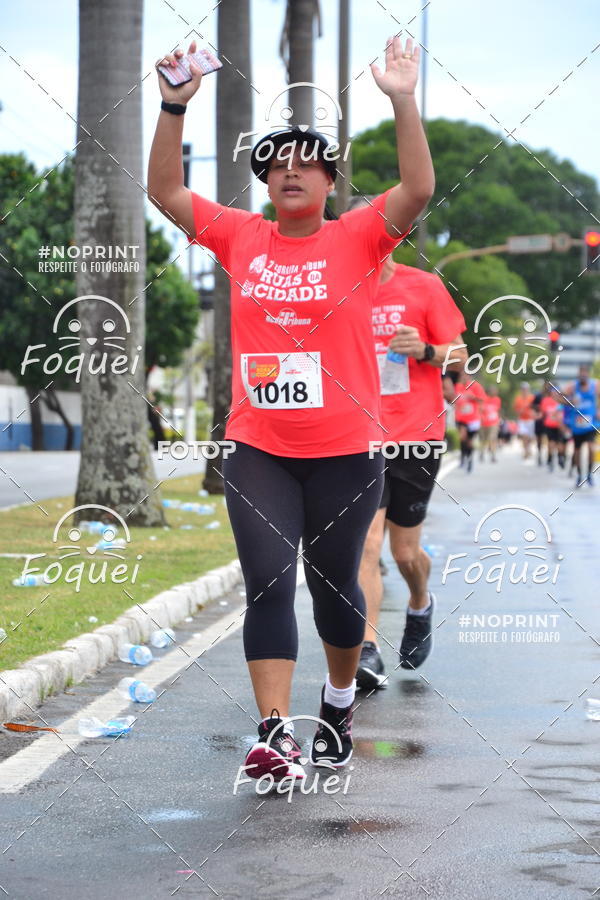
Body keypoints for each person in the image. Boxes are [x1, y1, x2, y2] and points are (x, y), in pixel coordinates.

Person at [148, 37, 435, 781]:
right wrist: (174, 106)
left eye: (307, 161)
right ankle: (274, 733)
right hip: (260, 448)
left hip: (346, 453)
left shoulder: (360, 237)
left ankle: (337, 701)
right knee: (269, 580)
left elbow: (418, 188)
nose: (291, 170)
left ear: (332, 180)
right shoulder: (241, 237)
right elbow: (166, 194)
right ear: (266, 183)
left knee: (334, 589)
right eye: (277, 164)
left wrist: (403, 98)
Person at [349, 217, 466, 689]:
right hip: (358, 436)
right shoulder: (339, 293)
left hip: (416, 435)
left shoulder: (425, 287)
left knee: (404, 550)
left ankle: (420, 602)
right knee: (367, 544)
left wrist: (425, 350)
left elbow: (460, 355)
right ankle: (367, 651)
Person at [564, 365, 598, 487]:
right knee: (577, 451)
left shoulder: (595, 385)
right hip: (577, 425)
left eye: (585, 373)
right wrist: (569, 401)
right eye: (581, 373)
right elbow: (562, 396)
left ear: (588, 374)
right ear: (578, 375)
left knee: (590, 448)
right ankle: (579, 475)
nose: (583, 375)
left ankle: (589, 473)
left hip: (590, 424)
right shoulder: (573, 386)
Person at [453, 371, 485, 472]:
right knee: (462, 437)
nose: (463, 377)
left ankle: (469, 458)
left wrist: (473, 397)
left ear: (469, 376)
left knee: (469, 442)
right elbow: (452, 399)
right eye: (461, 375)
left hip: (473, 419)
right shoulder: (457, 386)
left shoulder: (476, 386)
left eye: (465, 375)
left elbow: (482, 400)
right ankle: (463, 457)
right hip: (461, 418)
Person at [539, 382, 563, 472]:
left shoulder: (561, 401)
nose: (555, 394)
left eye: (556, 392)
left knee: (560, 444)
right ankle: (550, 459)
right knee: (551, 443)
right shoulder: (545, 401)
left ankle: (560, 457)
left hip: (559, 426)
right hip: (549, 425)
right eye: (553, 392)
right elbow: (543, 413)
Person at [513, 382, 535, 459]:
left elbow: (536, 408)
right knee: (524, 436)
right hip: (522, 420)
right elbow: (516, 409)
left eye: (526, 389)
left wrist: (532, 412)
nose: (524, 390)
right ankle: (526, 451)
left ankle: (528, 448)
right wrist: (520, 411)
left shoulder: (532, 398)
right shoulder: (518, 398)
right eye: (523, 389)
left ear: (528, 389)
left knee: (530, 437)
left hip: (531, 420)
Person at [479, 385, 501, 463]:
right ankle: (481, 453)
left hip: (494, 423)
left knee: (492, 438)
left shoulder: (497, 400)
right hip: (484, 423)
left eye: (496, 390)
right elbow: (480, 410)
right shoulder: (484, 399)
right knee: (483, 440)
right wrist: (482, 418)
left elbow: (497, 411)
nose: (495, 392)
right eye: (493, 390)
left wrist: (499, 421)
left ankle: (493, 455)